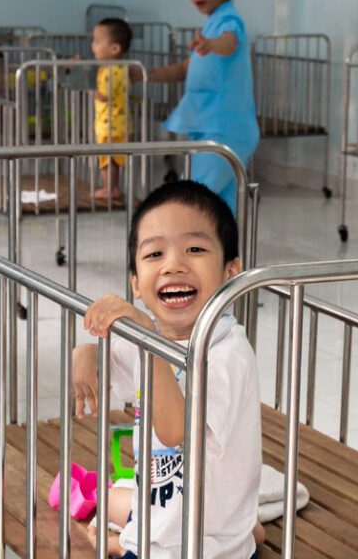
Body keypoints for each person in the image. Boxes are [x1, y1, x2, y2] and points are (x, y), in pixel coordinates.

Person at [72, 181, 262, 558]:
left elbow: (176, 430)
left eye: (194, 249)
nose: (174, 264)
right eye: (155, 253)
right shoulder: (155, 342)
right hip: (156, 531)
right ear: (136, 284)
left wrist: (145, 337)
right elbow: (110, 367)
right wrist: (87, 353)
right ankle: (111, 524)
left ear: (231, 272)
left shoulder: (228, 354)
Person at [135, 0, 258, 215]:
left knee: (191, 199)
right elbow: (185, 69)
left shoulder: (229, 20)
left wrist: (211, 44)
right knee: (220, 210)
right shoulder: (211, 24)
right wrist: (143, 75)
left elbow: (229, 43)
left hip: (225, 129)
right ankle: (225, 250)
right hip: (211, 127)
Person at [91, 17, 134, 209]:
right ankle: (112, 186)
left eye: (97, 41)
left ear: (115, 49)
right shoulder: (121, 68)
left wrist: (95, 94)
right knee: (112, 158)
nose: (93, 46)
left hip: (110, 123)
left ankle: (110, 188)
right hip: (118, 122)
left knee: (107, 158)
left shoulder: (111, 70)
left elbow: (105, 94)